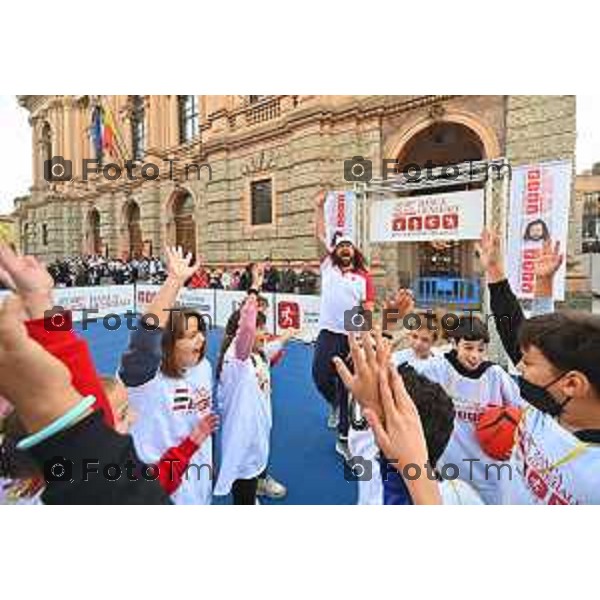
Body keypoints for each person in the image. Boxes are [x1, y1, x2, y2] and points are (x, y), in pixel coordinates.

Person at [119, 246, 217, 505]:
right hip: (162, 489)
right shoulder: (145, 379)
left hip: (199, 478)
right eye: (191, 335)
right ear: (169, 343)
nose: (201, 339)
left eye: (201, 332)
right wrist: (174, 281)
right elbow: (143, 340)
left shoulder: (203, 367)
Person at [312, 190, 375, 461]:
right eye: (340, 246)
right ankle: (335, 406)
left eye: (348, 246)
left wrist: (358, 340)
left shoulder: (364, 277)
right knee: (320, 376)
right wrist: (318, 208)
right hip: (327, 334)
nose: (344, 249)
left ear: (354, 251)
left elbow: (366, 310)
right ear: (335, 251)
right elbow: (318, 237)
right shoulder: (328, 267)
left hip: (350, 338)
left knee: (347, 387)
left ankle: (344, 438)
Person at [213, 266, 275, 504]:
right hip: (243, 441)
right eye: (260, 328)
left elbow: (269, 350)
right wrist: (254, 288)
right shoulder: (236, 358)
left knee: (249, 485)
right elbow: (247, 327)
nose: (264, 333)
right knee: (244, 489)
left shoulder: (254, 356)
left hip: (256, 435)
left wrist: (288, 335)